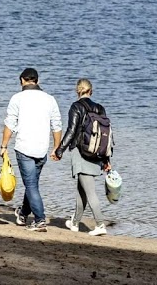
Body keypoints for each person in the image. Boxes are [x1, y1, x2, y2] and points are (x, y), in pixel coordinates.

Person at [0, 67, 62, 232]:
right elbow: (57, 125)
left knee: (31, 185)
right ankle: (23, 213)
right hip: (42, 148)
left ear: (22, 81)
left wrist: (4, 145)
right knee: (32, 183)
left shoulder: (17, 98)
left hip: (24, 148)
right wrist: (57, 147)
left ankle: (40, 219)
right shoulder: (50, 99)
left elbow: (9, 124)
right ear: (37, 81)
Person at [51, 78, 111, 236]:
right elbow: (105, 136)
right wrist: (106, 160)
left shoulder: (76, 107)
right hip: (97, 153)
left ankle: (100, 224)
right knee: (81, 190)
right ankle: (75, 223)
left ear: (78, 91)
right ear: (91, 91)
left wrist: (59, 150)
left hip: (81, 152)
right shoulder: (100, 108)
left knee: (90, 191)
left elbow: (71, 131)